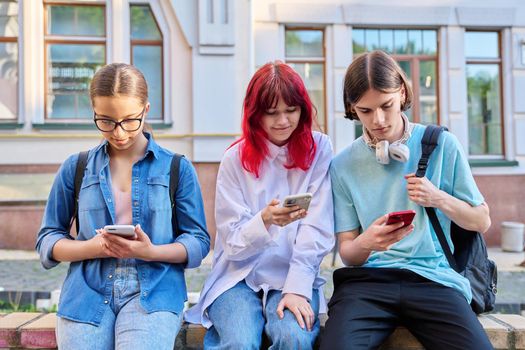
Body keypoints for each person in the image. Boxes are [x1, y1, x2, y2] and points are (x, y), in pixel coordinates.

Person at [320, 51, 493, 350]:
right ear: (352, 109)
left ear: (402, 91)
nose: (379, 120)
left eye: (386, 105)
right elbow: (348, 253)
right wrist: (368, 242)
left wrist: (437, 197)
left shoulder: (442, 145)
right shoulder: (342, 165)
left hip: (435, 280)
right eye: (365, 111)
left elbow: (482, 220)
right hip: (367, 284)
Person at [36, 63, 210, 350]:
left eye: (129, 120)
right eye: (106, 121)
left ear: (146, 110)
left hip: (154, 291)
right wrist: (94, 247)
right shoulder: (76, 167)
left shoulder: (176, 167)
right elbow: (48, 239)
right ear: (93, 112)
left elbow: (198, 242)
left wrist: (150, 251)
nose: (118, 133)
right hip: (86, 293)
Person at [185, 61, 334, 349]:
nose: (283, 121)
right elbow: (231, 242)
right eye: (272, 113)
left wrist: (297, 289)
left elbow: (318, 227)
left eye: (291, 110)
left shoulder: (319, 149)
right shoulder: (234, 158)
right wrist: (264, 220)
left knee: (293, 337)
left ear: (303, 109)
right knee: (239, 340)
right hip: (237, 277)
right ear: (255, 115)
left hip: (293, 272)